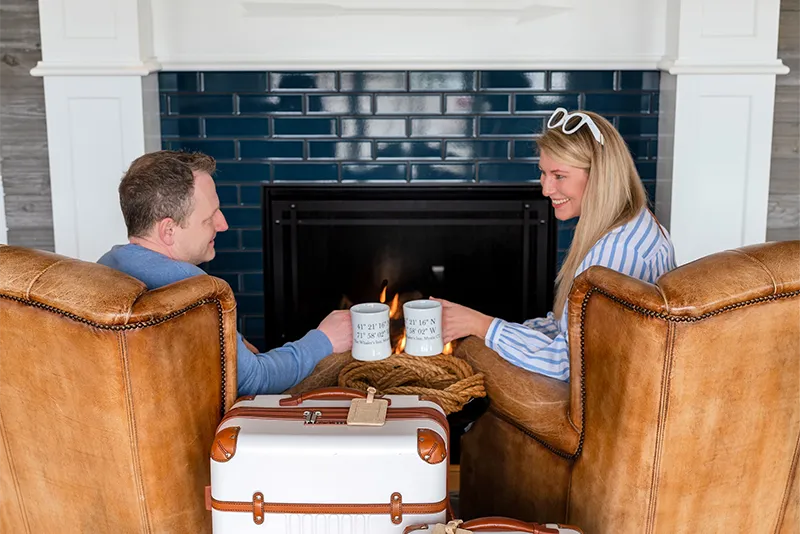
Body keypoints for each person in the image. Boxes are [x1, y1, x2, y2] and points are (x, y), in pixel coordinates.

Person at [433, 108, 676, 381]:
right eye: (543, 173)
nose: (546, 189)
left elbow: (569, 363)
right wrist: (492, 328)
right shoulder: (631, 224)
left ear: (600, 177)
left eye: (559, 176)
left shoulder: (617, 251)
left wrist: (483, 326)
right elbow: (566, 328)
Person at [97, 150, 352, 395]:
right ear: (168, 231)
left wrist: (232, 343)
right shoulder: (195, 291)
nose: (223, 224)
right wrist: (324, 339)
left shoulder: (103, 268)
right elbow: (255, 381)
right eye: (209, 217)